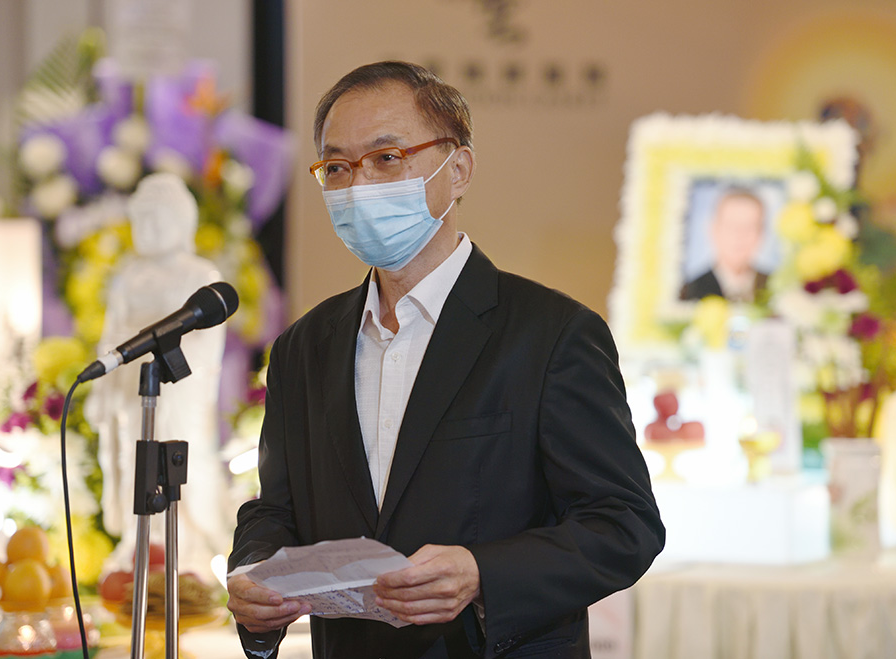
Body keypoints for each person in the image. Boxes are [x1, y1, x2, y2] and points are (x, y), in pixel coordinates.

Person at [227, 61, 664, 658]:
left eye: (387, 158)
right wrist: (255, 571)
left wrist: (482, 572)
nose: (359, 185)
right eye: (337, 167)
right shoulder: (304, 346)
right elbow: (276, 507)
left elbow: (623, 524)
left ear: (457, 170)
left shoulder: (551, 334)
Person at [85, 173, 231, 577]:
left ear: (183, 221)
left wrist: (176, 369)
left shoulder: (199, 273)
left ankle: (184, 541)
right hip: (130, 386)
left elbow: (207, 338)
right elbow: (110, 336)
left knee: (177, 457)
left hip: (179, 387)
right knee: (132, 456)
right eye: (141, 219)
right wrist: (102, 390)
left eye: (158, 218)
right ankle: (139, 538)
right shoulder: (129, 275)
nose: (147, 228)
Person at [679, 188, 769, 302]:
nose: (739, 235)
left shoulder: (777, 287)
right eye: (731, 226)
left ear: (762, 233)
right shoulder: (688, 292)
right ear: (713, 229)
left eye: (749, 227)